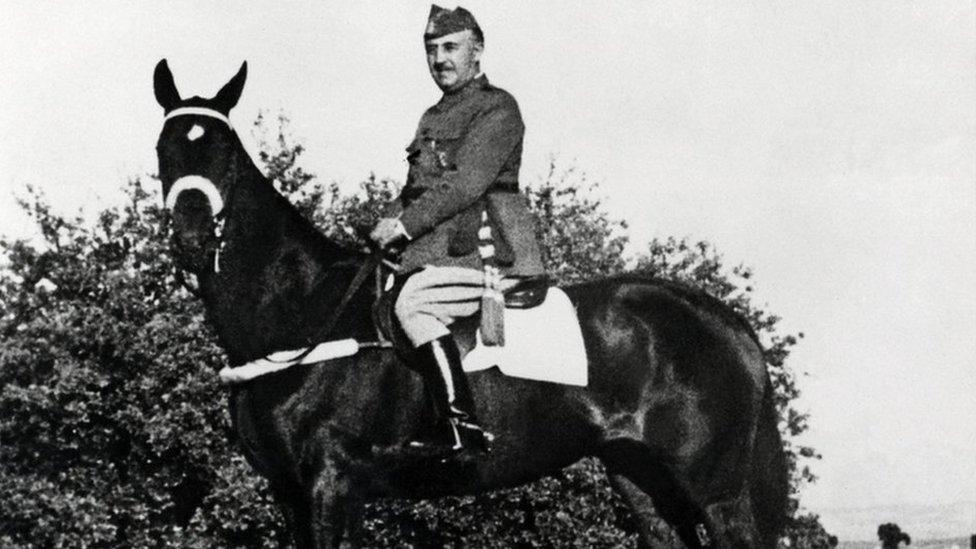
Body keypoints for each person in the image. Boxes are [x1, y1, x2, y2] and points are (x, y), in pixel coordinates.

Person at [370, 5, 545, 455]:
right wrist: (385, 223)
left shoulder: (498, 107)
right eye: (432, 50)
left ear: (477, 50)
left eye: (451, 47)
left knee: (412, 307)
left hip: (489, 250)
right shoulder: (431, 116)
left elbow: (464, 185)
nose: (440, 58)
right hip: (437, 252)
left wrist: (404, 227)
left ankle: (460, 427)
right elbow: (416, 189)